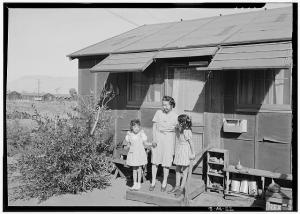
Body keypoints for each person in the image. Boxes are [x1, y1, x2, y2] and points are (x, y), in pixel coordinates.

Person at [150, 96, 178, 192]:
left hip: (168, 139)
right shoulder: (158, 113)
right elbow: (154, 126)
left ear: (171, 105)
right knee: (155, 161)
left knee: (166, 162)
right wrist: (154, 139)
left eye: (166, 105)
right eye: (163, 105)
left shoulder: (175, 116)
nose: (164, 107)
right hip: (158, 137)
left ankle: (164, 182)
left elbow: (177, 129)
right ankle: (153, 181)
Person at [168, 114, 195, 197]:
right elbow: (174, 130)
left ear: (183, 123)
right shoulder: (179, 130)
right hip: (179, 149)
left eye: (179, 121)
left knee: (185, 170)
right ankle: (177, 186)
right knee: (177, 168)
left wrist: (193, 153)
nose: (177, 122)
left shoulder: (187, 131)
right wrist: (176, 127)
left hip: (185, 150)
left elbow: (191, 143)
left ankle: (181, 188)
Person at [123, 119, 150, 191]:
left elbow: (145, 143)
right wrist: (126, 147)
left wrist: (151, 144)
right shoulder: (129, 135)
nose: (136, 128)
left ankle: (139, 183)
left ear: (139, 127)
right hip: (133, 153)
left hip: (140, 153)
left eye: (138, 127)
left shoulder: (142, 134)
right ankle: (134, 184)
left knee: (139, 169)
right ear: (131, 127)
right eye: (135, 127)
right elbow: (128, 145)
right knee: (134, 169)